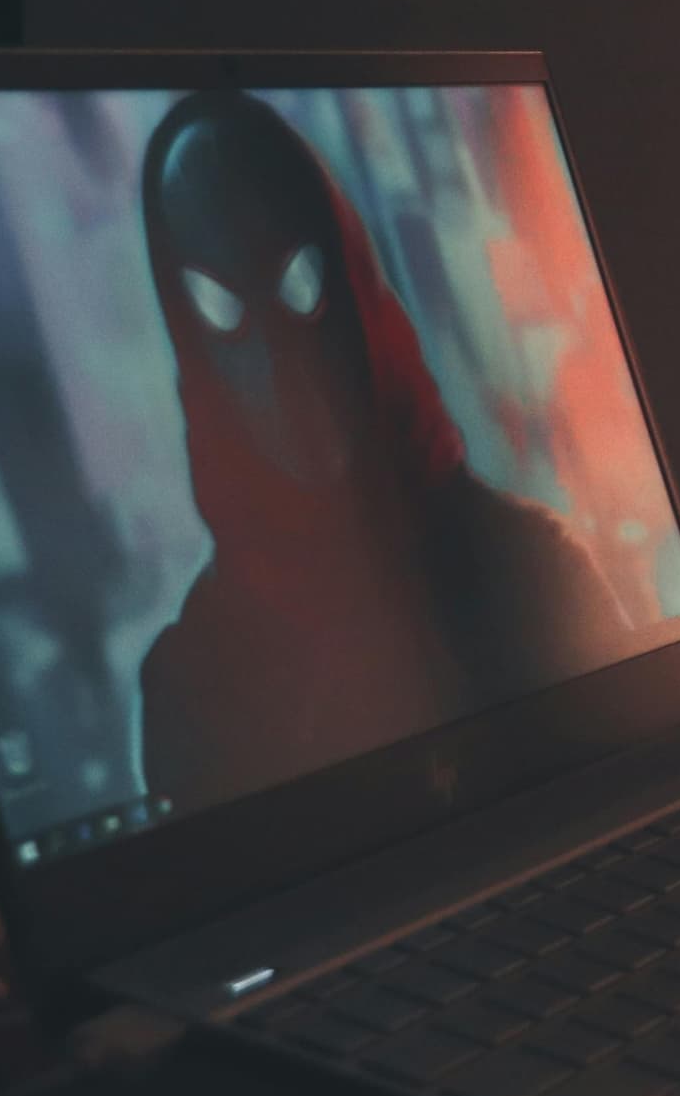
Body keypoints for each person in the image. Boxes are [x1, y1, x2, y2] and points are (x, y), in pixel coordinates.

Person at [133, 89, 629, 811]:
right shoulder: (190, 684)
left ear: (357, 282)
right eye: (221, 309)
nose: (282, 358)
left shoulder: (532, 568)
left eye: (303, 285)